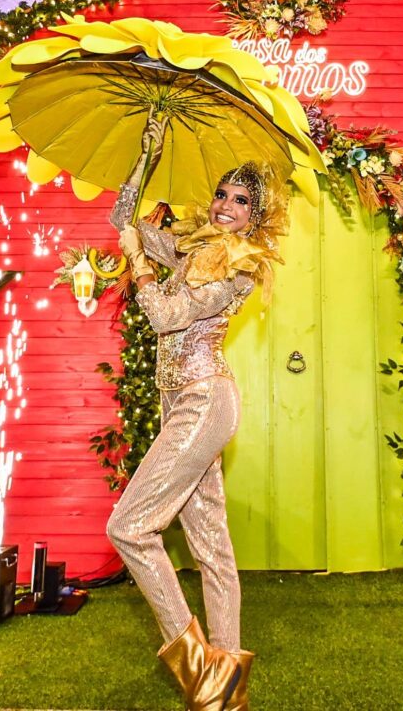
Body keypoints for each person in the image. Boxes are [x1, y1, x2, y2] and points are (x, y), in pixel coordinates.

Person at [106, 121, 284, 711]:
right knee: (211, 547)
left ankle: (201, 674)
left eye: (242, 201)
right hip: (179, 400)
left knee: (128, 527)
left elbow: (164, 316)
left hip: (205, 400)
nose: (227, 206)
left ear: (256, 218)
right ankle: (228, 692)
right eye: (223, 194)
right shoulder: (192, 246)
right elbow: (123, 220)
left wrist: (138, 264)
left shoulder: (239, 265)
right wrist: (145, 156)